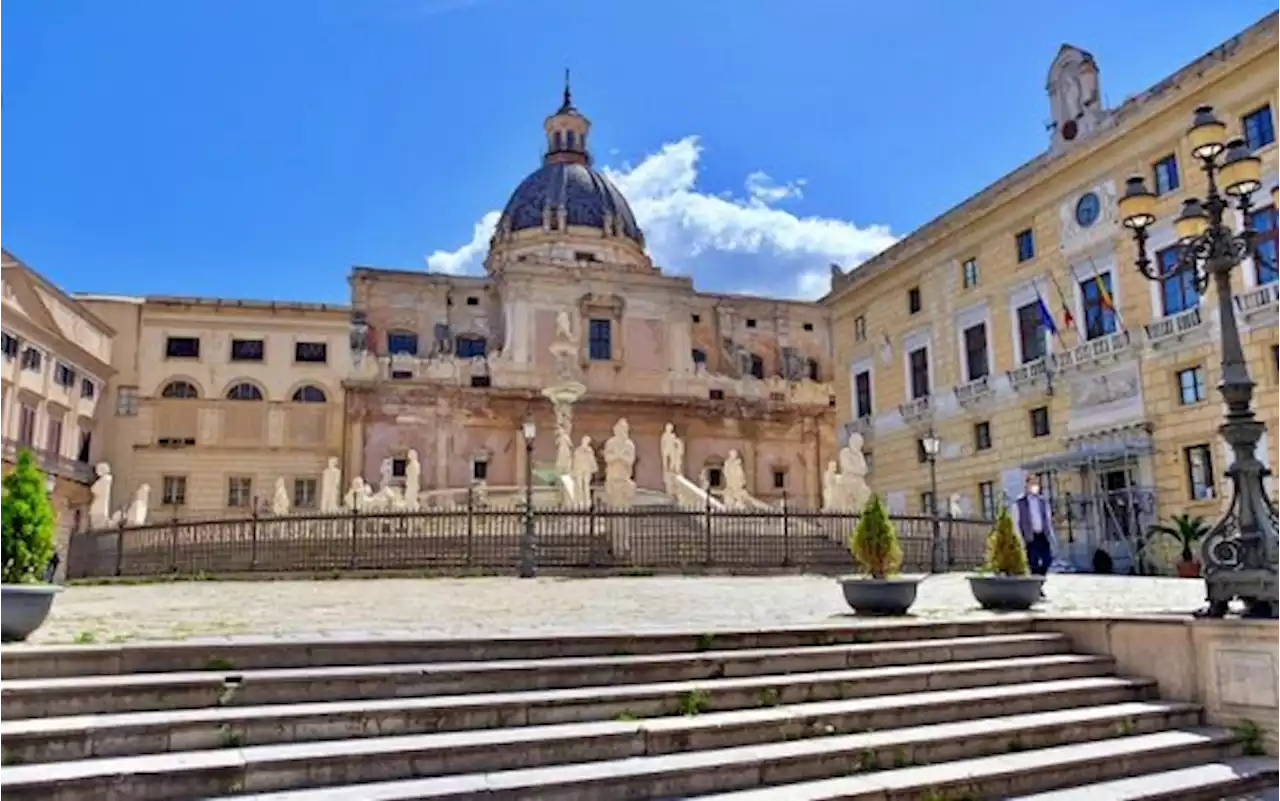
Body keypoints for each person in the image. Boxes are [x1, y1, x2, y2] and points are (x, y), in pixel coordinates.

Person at [1015, 475, 1057, 584]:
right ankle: (1036, 585)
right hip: (1030, 536)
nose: (1035, 486)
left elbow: (1047, 519)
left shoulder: (1042, 501)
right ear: (1027, 485)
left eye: (1036, 484)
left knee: (1047, 560)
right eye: (1032, 483)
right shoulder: (1020, 502)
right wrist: (1019, 537)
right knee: (1033, 563)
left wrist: (1051, 535)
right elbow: (1017, 521)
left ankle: (1038, 582)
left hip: (1042, 535)